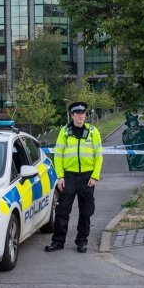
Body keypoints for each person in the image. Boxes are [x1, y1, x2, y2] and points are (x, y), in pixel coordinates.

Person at [46, 101, 103, 253]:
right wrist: (60, 177)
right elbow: (57, 156)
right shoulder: (64, 132)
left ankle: (82, 241)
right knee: (62, 211)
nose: (80, 116)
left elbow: (98, 155)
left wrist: (95, 176)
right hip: (68, 176)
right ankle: (58, 241)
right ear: (72, 115)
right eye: (77, 114)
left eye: (82, 113)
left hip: (87, 177)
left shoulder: (92, 131)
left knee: (86, 212)